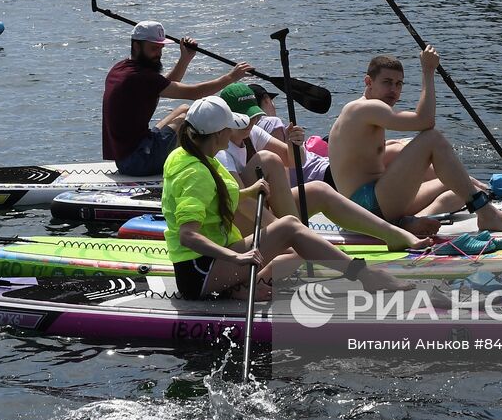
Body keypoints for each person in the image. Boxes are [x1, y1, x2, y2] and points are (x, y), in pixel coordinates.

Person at [163, 96, 417, 300]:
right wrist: (236, 258)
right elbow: (188, 235)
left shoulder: (192, 154)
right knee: (290, 228)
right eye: (230, 127)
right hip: (200, 272)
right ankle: (365, 275)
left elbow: (215, 195)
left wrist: (249, 192)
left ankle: (240, 287)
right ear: (219, 134)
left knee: (296, 243)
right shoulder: (195, 172)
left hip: (214, 259)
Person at [329, 48, 502, 233]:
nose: (394, 90)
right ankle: (488, 215)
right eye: (387, 82)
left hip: (373, 202)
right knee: (432, 139)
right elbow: (425, 122)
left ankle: (409, 222)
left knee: (460, 189)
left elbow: (366, 158)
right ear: (368, 82)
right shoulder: (366, 108)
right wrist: (428, 71)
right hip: (366, 206)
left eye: (399, 84)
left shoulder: (362, 111)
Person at [102, 21, 252, 176]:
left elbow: (165, 85)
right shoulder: (140, 77)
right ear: (136, 46)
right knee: (188, 118)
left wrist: (185, 58)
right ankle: (200, 166)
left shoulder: (122, 68)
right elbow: (194, 93)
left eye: (160, 48)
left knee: (184, 109)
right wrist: (231, 77)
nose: (158, 54)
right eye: (153, 48)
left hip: (129, 156)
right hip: (138, 162)